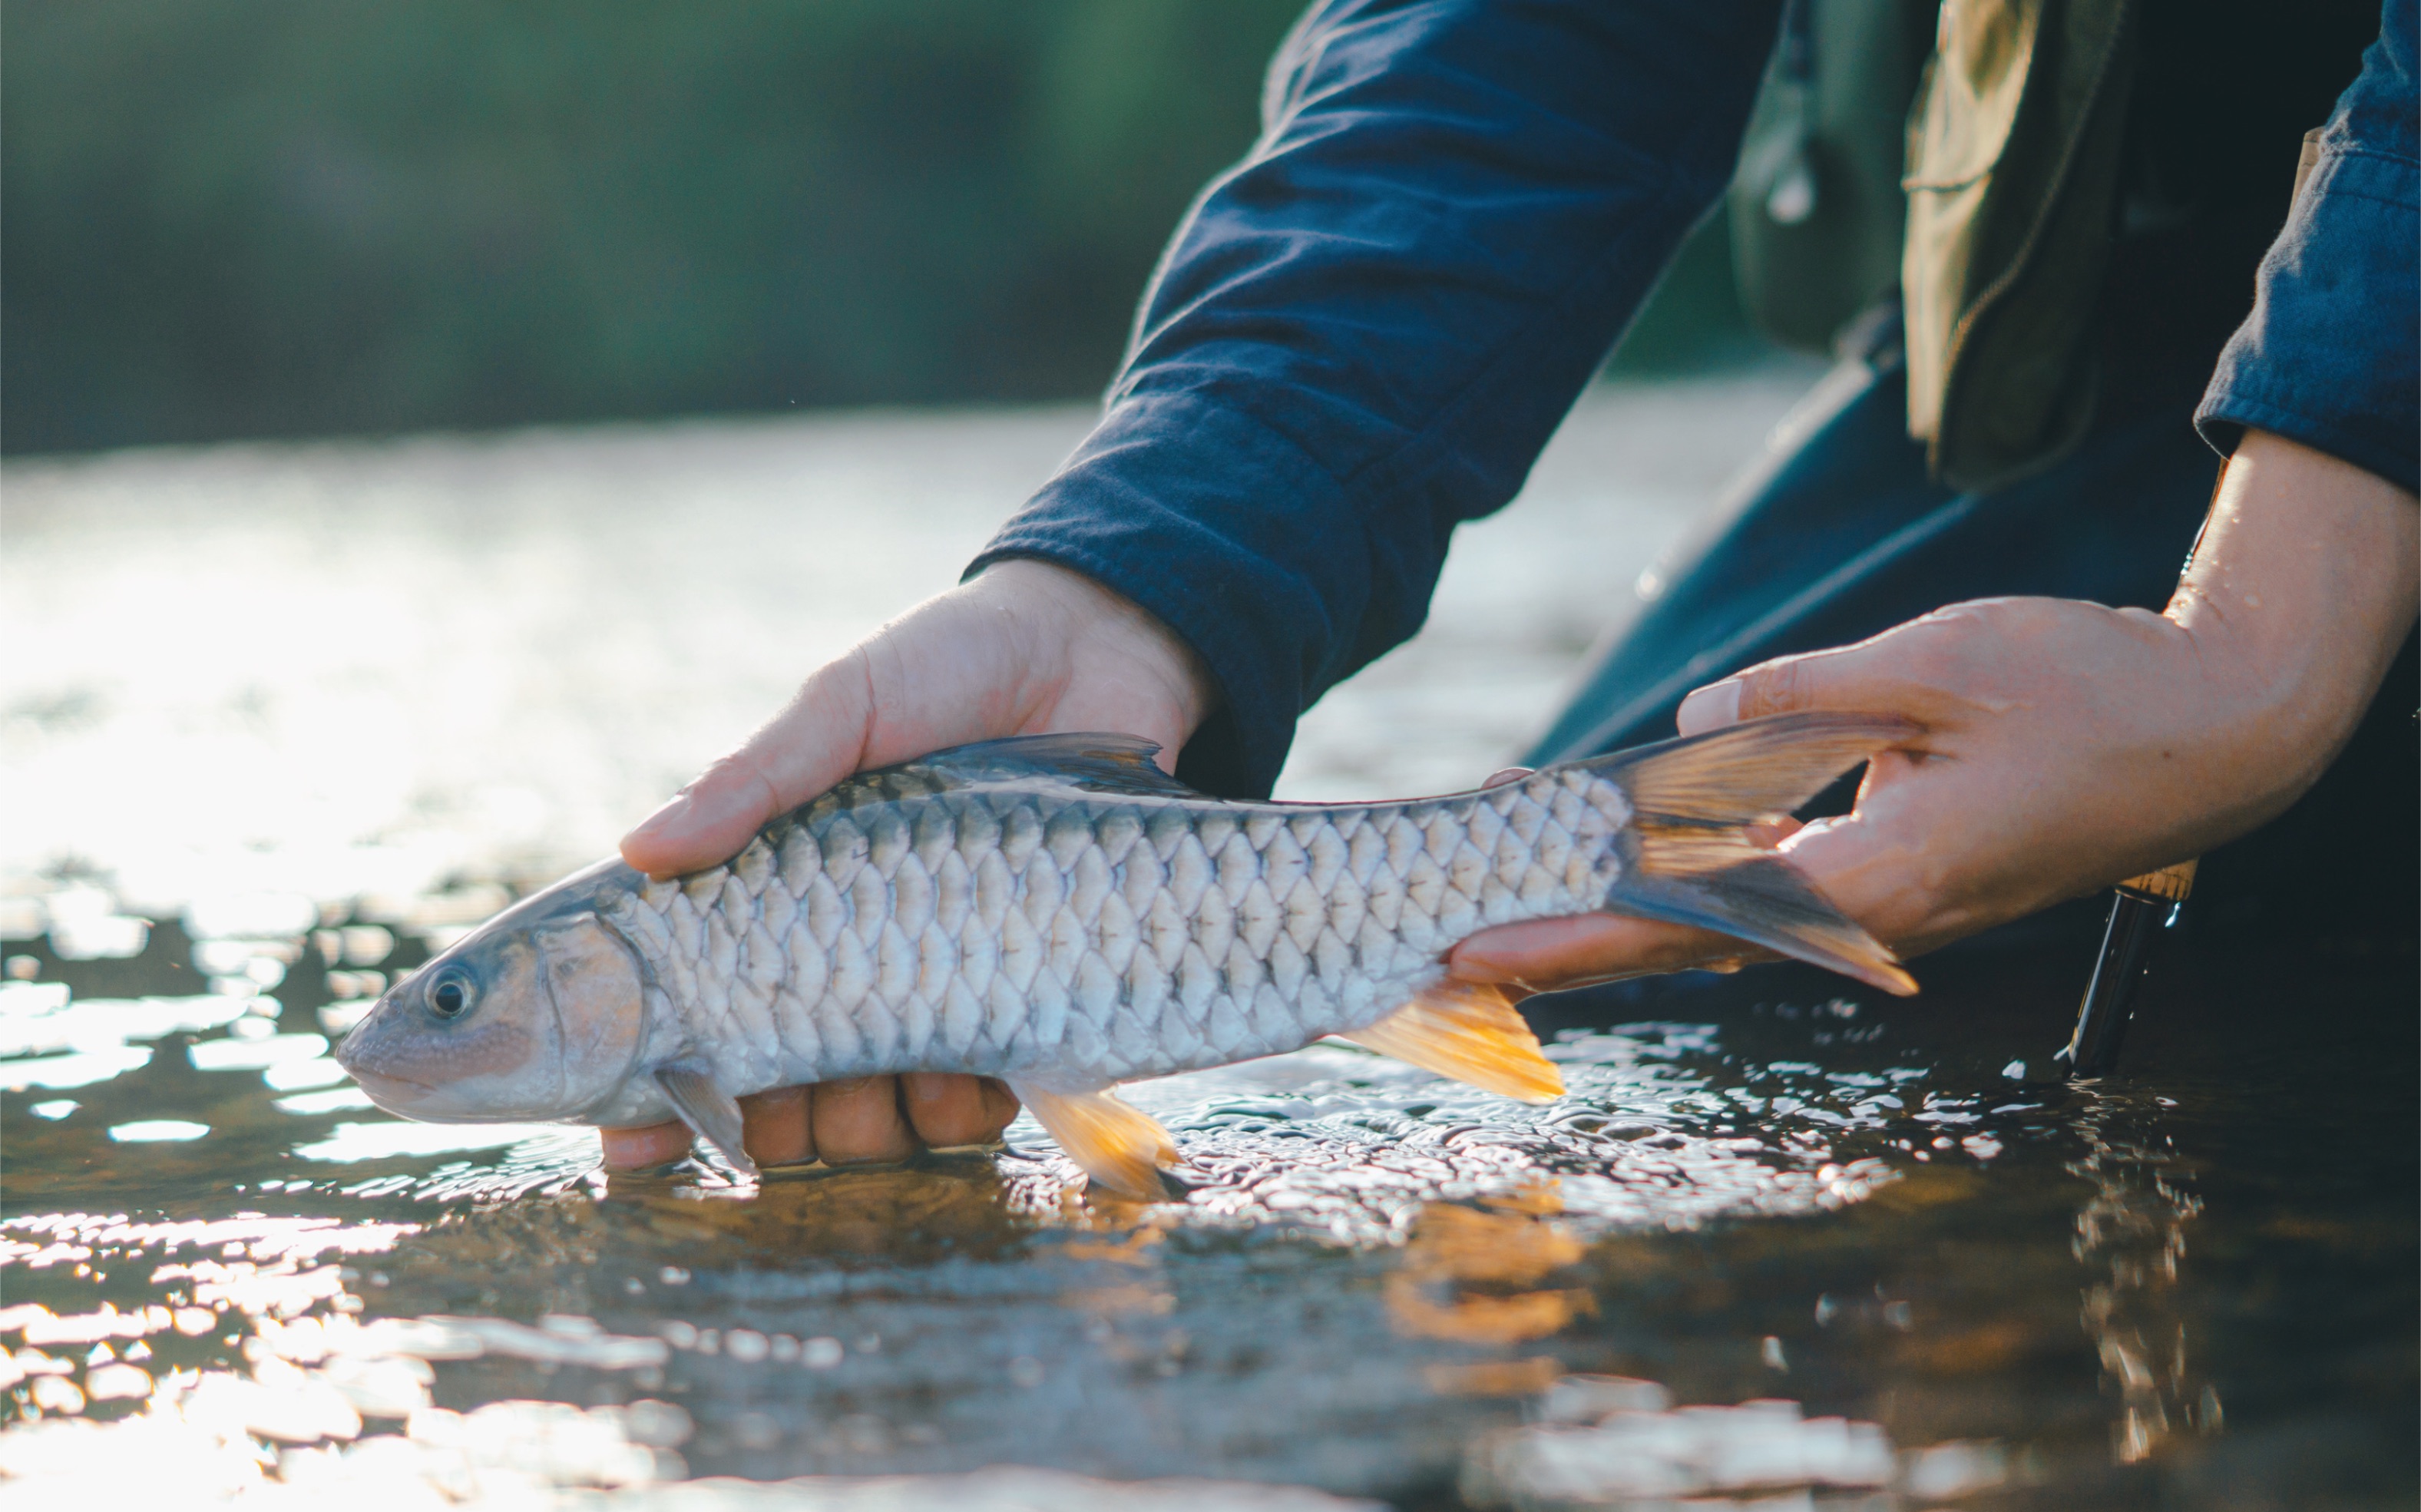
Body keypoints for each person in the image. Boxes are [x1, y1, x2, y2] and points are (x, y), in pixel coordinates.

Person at [597, 0, 2416, 1172]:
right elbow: (1507, 47)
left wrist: (2273, 638)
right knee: (1624, 981)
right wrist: (1139, 577)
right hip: (2115, 337)